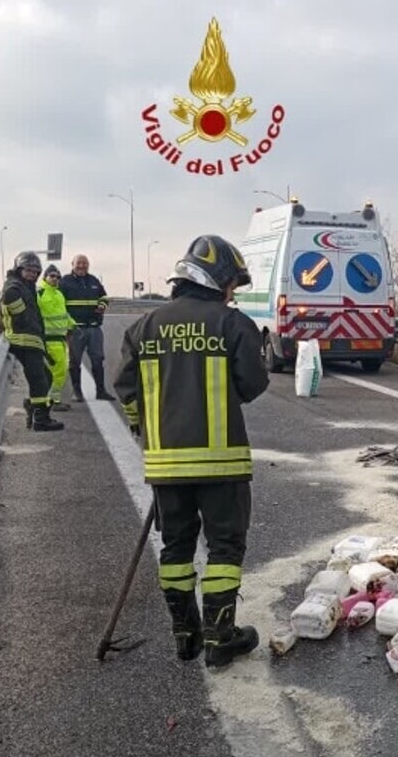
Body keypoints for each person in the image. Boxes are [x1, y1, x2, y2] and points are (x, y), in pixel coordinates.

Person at [113, 235, 269, 668]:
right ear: (217, 281)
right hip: (222, 464)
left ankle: (186, 635)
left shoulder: (143, 327)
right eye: (231, 285)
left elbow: (126, 391)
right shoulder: (231, 323)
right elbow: (254, 384)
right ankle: (221, 637)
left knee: (175, 547)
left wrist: (144, 425)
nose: (232, 292)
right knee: (224, 548)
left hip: (166, 464)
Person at [0, 252, 64, 431]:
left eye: (35, 271)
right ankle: (41, 419)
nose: (32, 274)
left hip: (31, 340)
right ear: (19, 269)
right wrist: (21, 319)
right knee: (38, 379)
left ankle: (32, 406)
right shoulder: (14, 286)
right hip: (23, 340)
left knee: (46, 377)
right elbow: (8, 302)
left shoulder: (26, 286)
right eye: (29, 270)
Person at [60, 254, 114, 401]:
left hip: (94, 328)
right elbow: (58, 303)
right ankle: (77, 393)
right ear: (72, 264)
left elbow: (104, 297)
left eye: (85, 263)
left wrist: (102, 306)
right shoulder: (64, 282)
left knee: (98, 360)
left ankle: (101, 391)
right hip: (75, 329)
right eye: (79, 263)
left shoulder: (94, 280)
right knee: (74, 361)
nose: (82, 266)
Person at [37, 264, 74, 411]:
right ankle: (52, 401)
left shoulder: (59, 294)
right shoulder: (39, 294)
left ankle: (52, 400)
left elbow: (63, 314)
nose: (55, 279)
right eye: (52, 276)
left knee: (60, 371)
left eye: (58, 276)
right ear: (45, 277)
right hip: (48, 340)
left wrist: (72, 325)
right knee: (58, 371)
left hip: (61, 340)